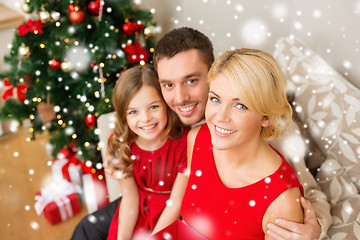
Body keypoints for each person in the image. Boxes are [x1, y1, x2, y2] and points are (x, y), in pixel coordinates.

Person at [71, 27, 331, 240]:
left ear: (214, 73)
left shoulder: (268, 133)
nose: (180, 97)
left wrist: (315, 227)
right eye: (168, 85)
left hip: (195, 211)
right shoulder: (163, 112)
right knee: (86, 229)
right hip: (153, 199)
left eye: (192, 80)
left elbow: (306, 191)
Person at [174, 48, 303, 239]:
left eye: (240, 105)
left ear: (266, 117)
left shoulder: (282, 200)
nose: (221, 117)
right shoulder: (198, 139)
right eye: (215, 99)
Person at [103, 64, 189, 239]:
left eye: (154, 107)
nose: (145, 118)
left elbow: (176, 203)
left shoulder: (185, 143)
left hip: (173, 216)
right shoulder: (123, 144)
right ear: (124, 116)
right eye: (133, 112)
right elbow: (130, 199)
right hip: (139, 212)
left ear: (166, 104)